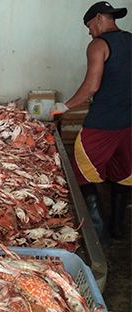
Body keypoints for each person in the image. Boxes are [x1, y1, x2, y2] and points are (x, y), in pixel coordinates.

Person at [50, 1, 132, 248]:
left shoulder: (98, 44)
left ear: (98, 18)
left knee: (79, 174)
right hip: (129, 124)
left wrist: (64, 106)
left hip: (102, 125)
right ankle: (117, 228)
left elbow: (91, 86)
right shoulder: (130, 40)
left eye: (88, 26)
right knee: (123, 174)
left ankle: (99, 236)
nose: (89, 32)